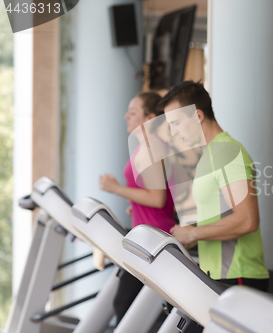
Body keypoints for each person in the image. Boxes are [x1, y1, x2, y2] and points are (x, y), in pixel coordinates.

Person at [156, 81, 270, 291]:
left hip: (238, 275)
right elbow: (221, 217)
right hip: (217, 274)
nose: (173, 132)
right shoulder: (208, 155)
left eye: (176, 123)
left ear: (198, 116)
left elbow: (247, 220)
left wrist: (193, 234)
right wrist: (191, 233)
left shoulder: (227, 152)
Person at [99, 91, 176, 324]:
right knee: (126, 306)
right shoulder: (145, 147)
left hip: (154, 239)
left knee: (125, 305)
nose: (126, 116)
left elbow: (157, 199)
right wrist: (135, 205)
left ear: (150, 118)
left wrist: (116, 189)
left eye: (133, 112)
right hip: (145, 234)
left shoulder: (152, 148)